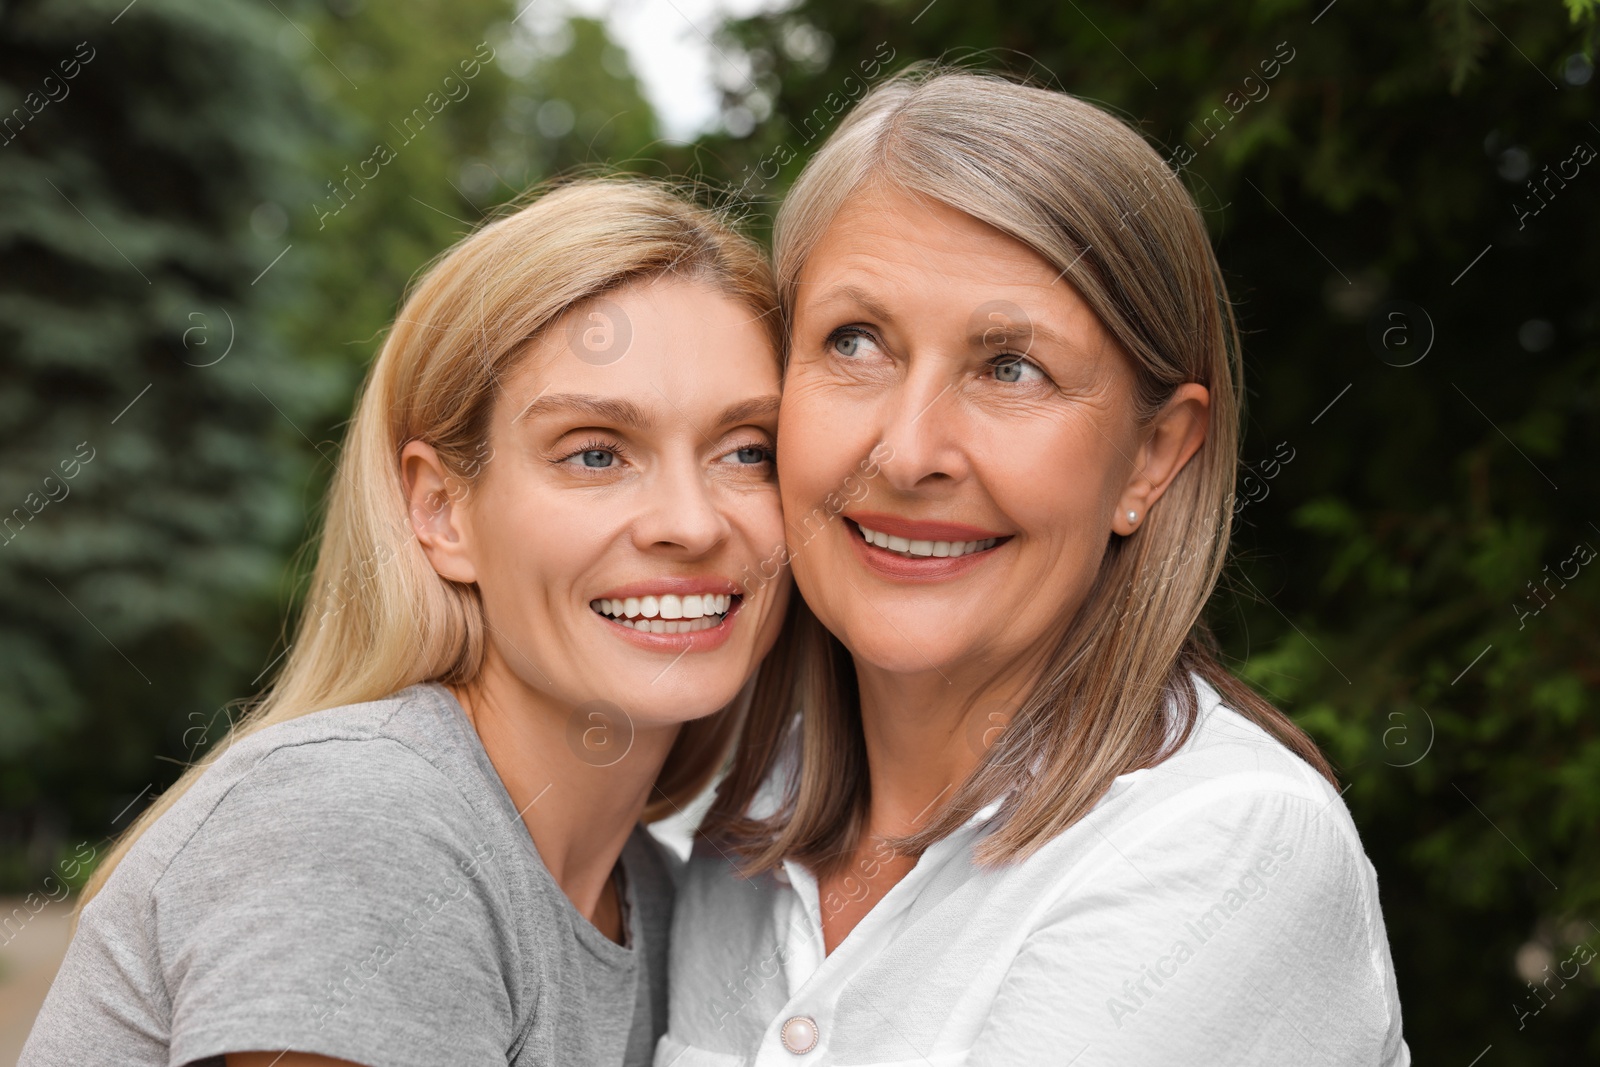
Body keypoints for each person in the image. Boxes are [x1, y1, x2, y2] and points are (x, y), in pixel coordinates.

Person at [659, 68, 1409, 1066]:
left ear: (1153, 454)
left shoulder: (1226, 843)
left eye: (1010, 367)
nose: (908, 449)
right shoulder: (716, 819)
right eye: (856, 340)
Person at [22, 178, 794, 1067]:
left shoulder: (660, 900)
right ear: (441, 510)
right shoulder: (364, 821)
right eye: (594, 452)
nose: (691, 523)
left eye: (748, 452)